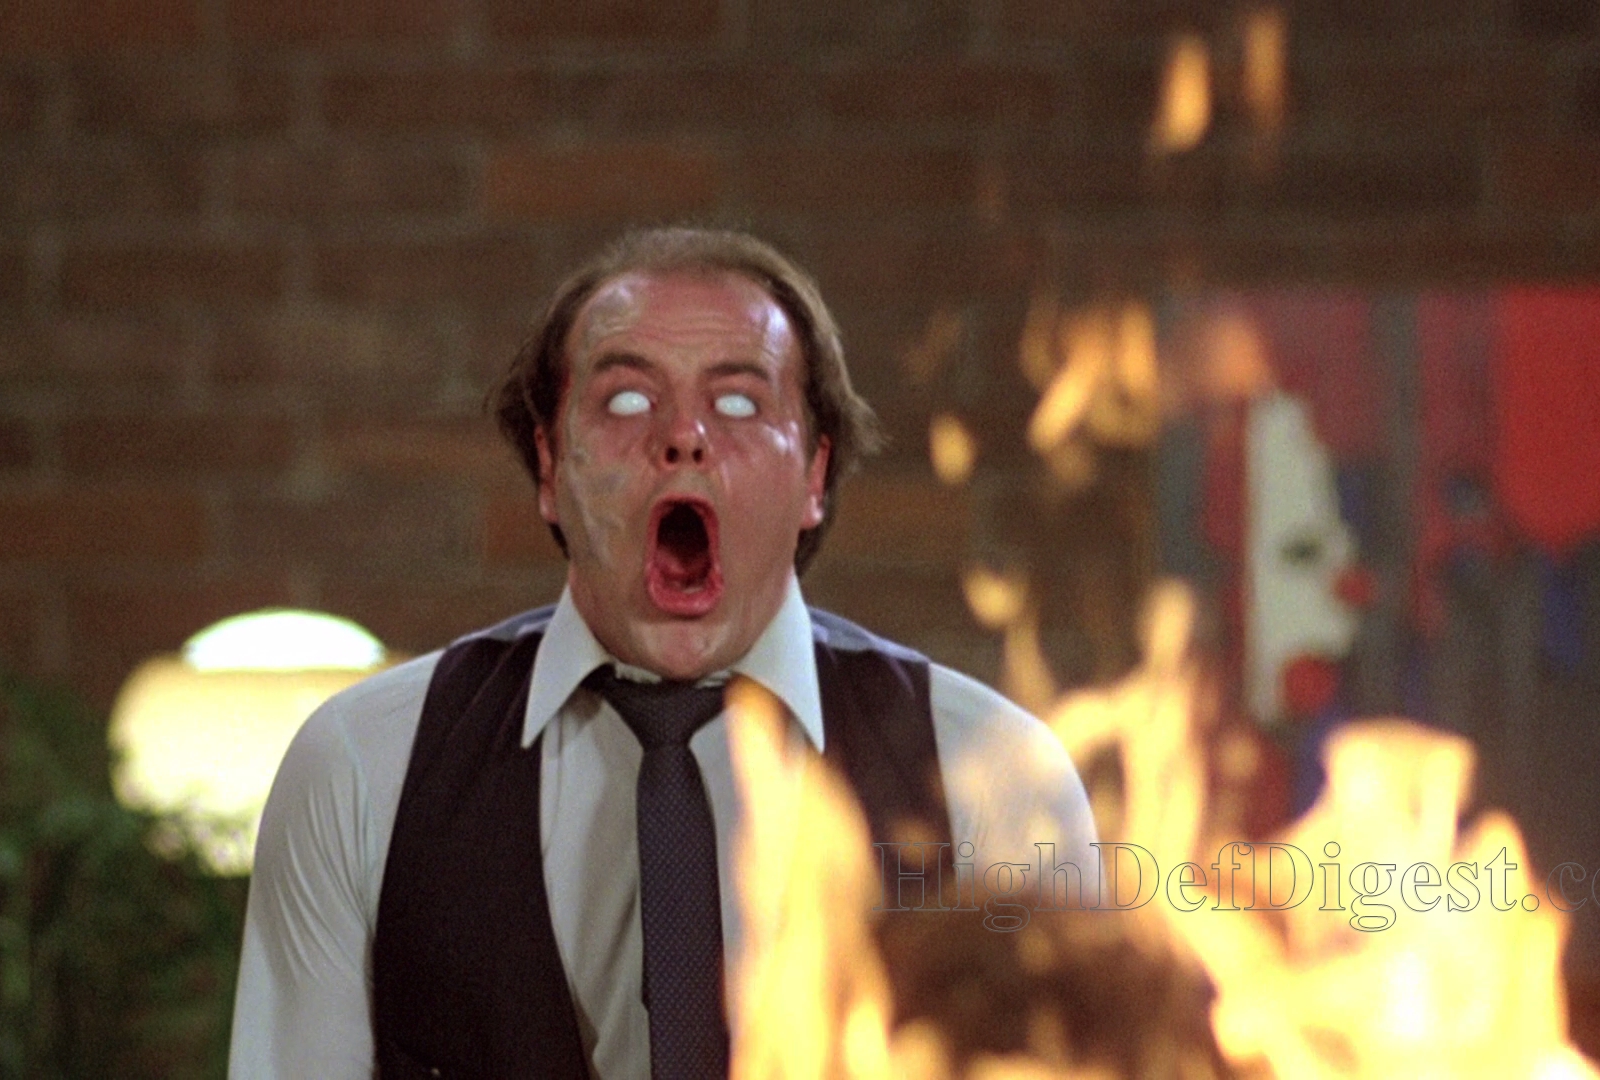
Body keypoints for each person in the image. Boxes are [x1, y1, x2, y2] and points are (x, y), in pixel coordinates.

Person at [227, 229, 1096, 1080]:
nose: (683, 436)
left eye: (740, 404)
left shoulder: (992, 772)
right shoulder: (365, 766)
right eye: (627, 402)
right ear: (549, 465)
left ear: (814, 475)